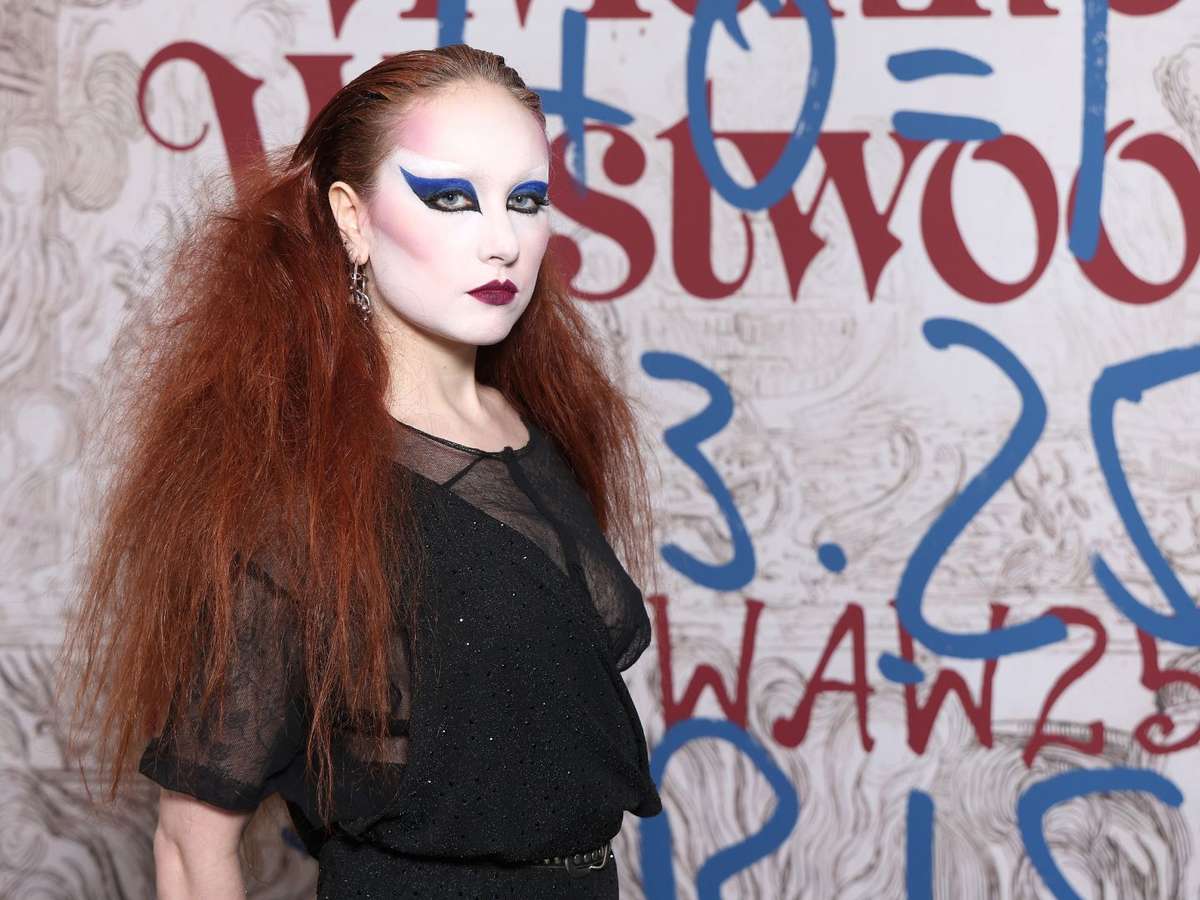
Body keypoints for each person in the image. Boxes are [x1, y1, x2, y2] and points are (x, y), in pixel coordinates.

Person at [59, 44, 662, 899]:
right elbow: (191, 849)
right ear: (352, 218)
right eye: (451, 197)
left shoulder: (546, 433)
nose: (503, 242)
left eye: (526, 200)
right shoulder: (301, 494)